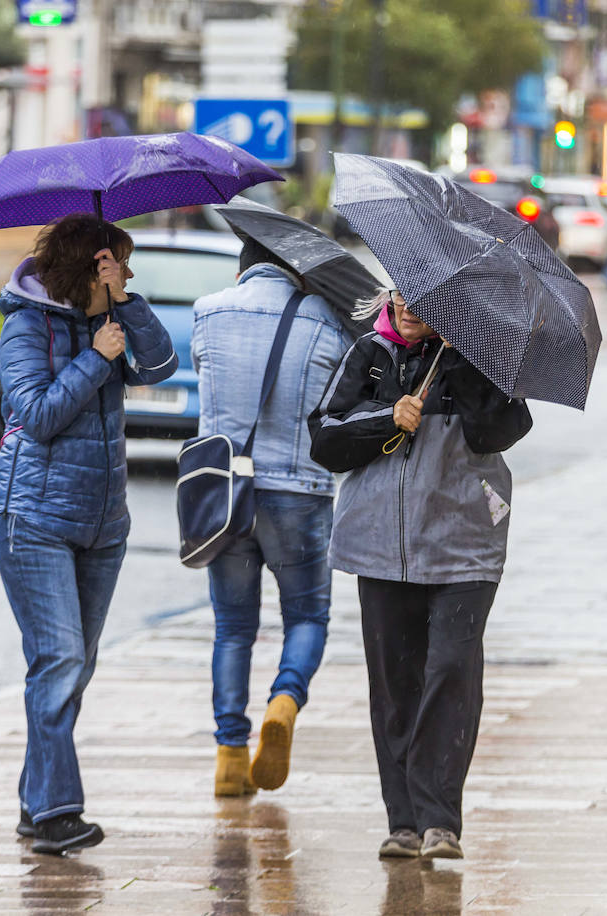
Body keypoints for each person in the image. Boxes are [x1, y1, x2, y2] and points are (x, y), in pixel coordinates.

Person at [309, 288, 532, 860]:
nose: (407, 305)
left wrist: (461, 362)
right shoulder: (368, 353)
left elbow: (499, 433)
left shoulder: (480, 355)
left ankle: (440, 821)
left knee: (452, 669)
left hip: (466, 544)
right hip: (380, 544)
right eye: (398, 292)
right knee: (394, 682)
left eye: (423, 299)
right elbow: (325, 440)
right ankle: (403, 822)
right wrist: (387, 416)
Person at [0, 213, 177, 854]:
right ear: (90, 265)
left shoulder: (112, 320)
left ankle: (32, 799)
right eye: (121, 264)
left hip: (103, 525)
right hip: (33, 519)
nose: (128, 272)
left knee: (74, 666)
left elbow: (159, 368)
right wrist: (96, 362)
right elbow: (37, 415)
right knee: (61, 660)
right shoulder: (25, 325)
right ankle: (56, 815)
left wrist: (125, 306)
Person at [191, 237, 354, 798]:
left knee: (232, 628)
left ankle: (229, 758)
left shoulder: (208, 311)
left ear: (245, 269)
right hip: (300, 491)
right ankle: (284, 700)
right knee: (307, 617)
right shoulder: (327, 322)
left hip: (225, 493)